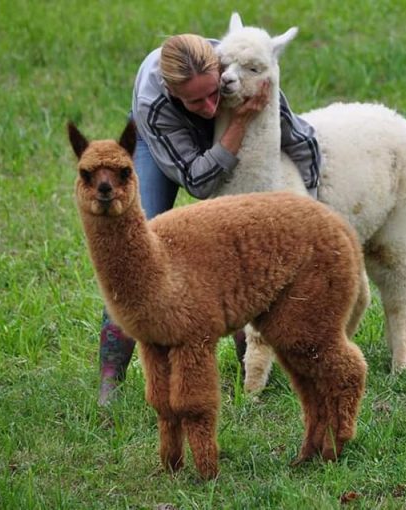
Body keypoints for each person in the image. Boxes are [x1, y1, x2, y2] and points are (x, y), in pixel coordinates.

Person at [97, 33, 321, 405]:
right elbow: (197, 180)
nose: (207, 106)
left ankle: (249, 361)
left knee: (239, 242)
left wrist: (314, 205)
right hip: (164, 145)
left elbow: (299, 137)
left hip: (230, 122)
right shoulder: (154, 101)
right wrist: (238, 122)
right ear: (174, 92)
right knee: (136, 249)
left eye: (212, 93)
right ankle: (111, 380)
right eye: (195, 100)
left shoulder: (238, 65)